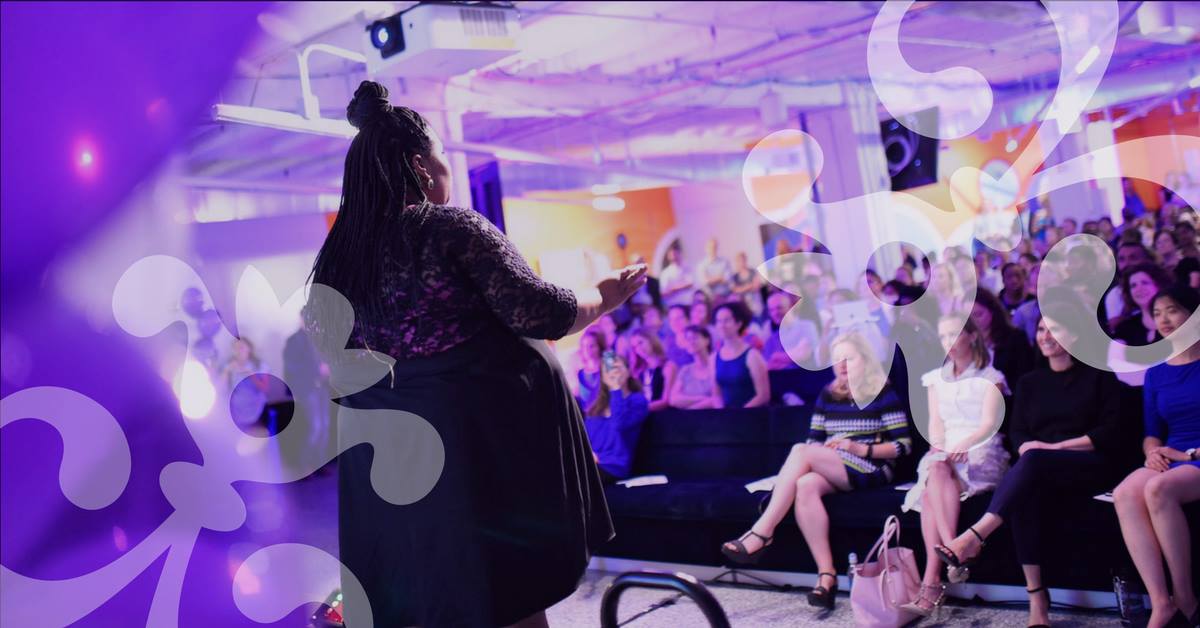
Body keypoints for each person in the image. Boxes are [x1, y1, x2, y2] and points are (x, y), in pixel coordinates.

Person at [306, 81, 647, 628]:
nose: (446, 169)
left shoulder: (338, 258)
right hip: (470, 453)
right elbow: (539, 312)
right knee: (504, 597)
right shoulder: (448, 229)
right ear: (420, 165)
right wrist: (604, 296)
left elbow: (329, 347)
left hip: (389, 463)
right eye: (442, 156)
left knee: (434, 600)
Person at [934, 300, 1134, 628]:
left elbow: (1110, 432)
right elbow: (1018, 433)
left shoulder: (1099, 376)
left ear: (1075, 334)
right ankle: (1037, 600)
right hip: (1041, 467)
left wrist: (1055, 448)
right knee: (1025, 491)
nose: (1045, 336)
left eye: (1055, 329)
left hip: (1090, 464)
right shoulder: (1030, 382)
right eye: (1041, 329)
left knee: (1033, 465)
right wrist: (1035, 450)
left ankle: (975, 536)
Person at [719, 332, 912, 609]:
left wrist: (860, 449)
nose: (841, 365)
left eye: (849, 358)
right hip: (836, 463)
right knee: (805, 484)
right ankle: (826, 576)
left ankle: (762, 531)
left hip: (872, 465)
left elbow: (903, 446)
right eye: (837, 359)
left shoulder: (882, 392)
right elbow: (814, 440)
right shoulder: (828, 394)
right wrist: (824, 452)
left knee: (801, 451)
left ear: (866, 360)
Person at [900, 314, 1011, 616]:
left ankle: (932, 582)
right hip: (946, 450)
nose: (948, 341)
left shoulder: (991, 376)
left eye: (954, 334)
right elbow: (936, 426)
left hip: (980, 448)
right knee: (936, 468)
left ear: (972, 336)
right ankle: (955, 550)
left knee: (931, 488)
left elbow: (989, 423)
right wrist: (941, 446)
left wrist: (964, 444)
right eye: (943, 335)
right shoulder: (935, 379)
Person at [1112, 286, 1200, 628]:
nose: (1163, 319)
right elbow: (1152, 432)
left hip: (1193, 455)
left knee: (1158, 489)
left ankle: (1186, 598)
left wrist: (1187, 454)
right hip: (1173, 455)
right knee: (1124, 492)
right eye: (1157, 313)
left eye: (1172, 310)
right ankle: (1161, 603)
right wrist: (1151, 452)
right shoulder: (1157, 372)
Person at [584, 354, 650, 484]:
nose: (613, 371)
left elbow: (619, 424)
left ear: (628, 372)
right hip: (591, 463)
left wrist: (616, 388)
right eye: (608, 368)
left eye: (617, 367)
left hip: (614, 467)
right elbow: (585, 438)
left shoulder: (637, 401)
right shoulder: (595, 406)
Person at [710, 301, 770, 408]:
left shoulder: (752, 355)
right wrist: (722, 413)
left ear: (739, 323)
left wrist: (739, 414)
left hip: (752, 413)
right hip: (726, 415)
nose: (722, 325)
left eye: (727, 320)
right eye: (719, 321)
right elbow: (716, 395)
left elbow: (763, 395)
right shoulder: (714, 357)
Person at [972, 290, 1037, 386]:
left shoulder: (1016, 339)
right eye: (967, 317)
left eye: (978, 315)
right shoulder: (966, 342)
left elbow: (1024, 379)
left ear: (992, 311)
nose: (973, 321)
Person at [1113, 263, 1175, 347]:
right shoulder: (1124, 329)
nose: (1139, 289)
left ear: (1158, 285)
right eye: (1133, 286)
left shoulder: (1179, 318)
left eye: (1145, 283)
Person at [221, 337, 271, 429]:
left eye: (241, 347)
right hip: (235, 408)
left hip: (255, 407)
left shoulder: (260, 365)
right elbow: (221, 388)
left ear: (249, 349)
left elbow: (265, 388)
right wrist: (226, 371)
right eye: (235, 348)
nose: (238, 351)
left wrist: (251, 374)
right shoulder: (229, 364)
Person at [1105, 242, 1155, 330]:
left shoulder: (1159, 284)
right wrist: (1127, 309)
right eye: (1121, 259)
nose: (1126, 264)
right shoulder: (1114, 294)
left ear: (1147, 260)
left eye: (1133, 258)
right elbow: (1114, 329)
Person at [762, 291, 817, 370]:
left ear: (790, 307)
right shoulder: (772, 338)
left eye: (779, 307)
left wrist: (777, 356)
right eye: (771, 310)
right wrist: (794, 353)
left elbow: (804, 354)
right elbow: (768, 366)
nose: (775, 313)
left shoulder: (807, 326)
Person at [628, 327, 676, 412]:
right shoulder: (639, 370)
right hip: (644, 413)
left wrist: (639, 410)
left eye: (641, 343)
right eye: (635, 347)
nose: (639, 349)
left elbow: (666, 401)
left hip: (662, 414)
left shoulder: (668, 366)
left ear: (651, 340)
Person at [669, 325, 717, 409]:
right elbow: (673, 399)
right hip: (689, 416)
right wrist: (702, 398)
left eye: (695, 338)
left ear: (707, 340)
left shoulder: (717, 366)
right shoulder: (686, 370)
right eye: (688, 339)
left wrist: (691, 409)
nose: (691, 342)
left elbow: (717, 399)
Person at [574, 327, 607, 410]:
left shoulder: (608, 367)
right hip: (590, 416)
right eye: (584, 346)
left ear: (599, 346)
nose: (587, 350)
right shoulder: (580, 374)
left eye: (591, 346)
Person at [730, 251, 764, 316]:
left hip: (755, 300)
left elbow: (756, 287)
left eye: (742, 260)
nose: (741, 263)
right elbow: (735, 290)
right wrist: (749, 285)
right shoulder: (735, 276)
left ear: (745, 260)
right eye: (739, 261)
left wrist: (742, 288)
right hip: (744, 302)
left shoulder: (753, 271)